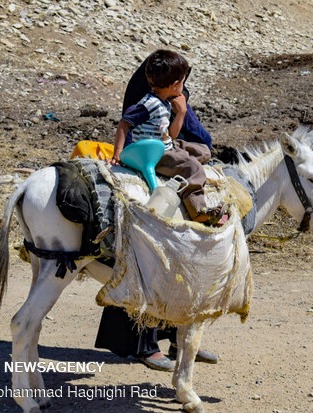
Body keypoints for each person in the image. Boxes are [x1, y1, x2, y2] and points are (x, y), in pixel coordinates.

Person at [96, 50, 219, 371]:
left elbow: (185, 133)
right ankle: (144, 344)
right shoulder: (149, 99)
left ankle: (181, 339)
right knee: (155, 255)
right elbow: (132, 125)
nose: (182, 87)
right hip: (156, 157)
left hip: (167, 147)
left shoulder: (166, 96)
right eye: (180, 82)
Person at [108, 49, 225, 225]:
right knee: (193, 168)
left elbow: (171, 134)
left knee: (203, 151)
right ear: (176, 85)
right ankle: (198, 210)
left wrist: (181, 113)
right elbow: (125, 123)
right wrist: (118, 153)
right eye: (183, 83)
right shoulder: (149, 104)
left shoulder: (165, 102)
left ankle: (181, 163)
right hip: (153, 152)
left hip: (165, 143)